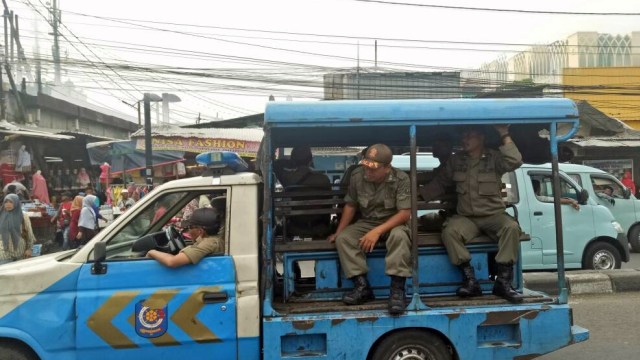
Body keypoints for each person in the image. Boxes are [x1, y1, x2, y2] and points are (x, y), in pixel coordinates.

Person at [419, 125, 524, 303]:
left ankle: (503, 283)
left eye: (469, 136)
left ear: (481, 138)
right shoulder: (456, 161)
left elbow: (515, 161)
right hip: (467, 218)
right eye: (463, 136)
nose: (464, 140)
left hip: (493, 216)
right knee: (450, 231)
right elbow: (440, 183)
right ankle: (470, 280)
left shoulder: (494, 158)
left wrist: (504, 134)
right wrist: (418, 195)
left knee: (512, 228)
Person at [328, 143, 411, 315]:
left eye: (373, 169)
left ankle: (397, 291)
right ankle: (362, 286)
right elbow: (351, 205)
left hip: (393, 222)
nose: (368, 172)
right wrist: (338, 232)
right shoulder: (357, 175)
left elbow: (404, 214)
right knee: (344, 238)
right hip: (367, 222)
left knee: (399, 237)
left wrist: (377, 231)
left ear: (387, 167)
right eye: (366, 166)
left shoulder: (401, 179)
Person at [273, 146, 332, 238]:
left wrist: (292, 162)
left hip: (295, 228)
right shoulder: (324, 179)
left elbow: (276, 165)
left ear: (293, 160)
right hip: (320, 228)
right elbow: (329, 205)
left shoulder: (288, 178)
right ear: (310, 160)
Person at [146, 207, 223, 267]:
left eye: (189, 227)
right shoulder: (211, 240)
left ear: (200, 231)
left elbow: (172, 262)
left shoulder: (208, 243)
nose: (188, 231)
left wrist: (152, 252)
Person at [0, 194, 36, 264]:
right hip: (3, 253)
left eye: (11, 202)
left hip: (20, 252)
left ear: (16, 203)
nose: (8, 204)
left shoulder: (23, 216)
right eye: (6, 202)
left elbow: (29, 233)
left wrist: (29, 249)